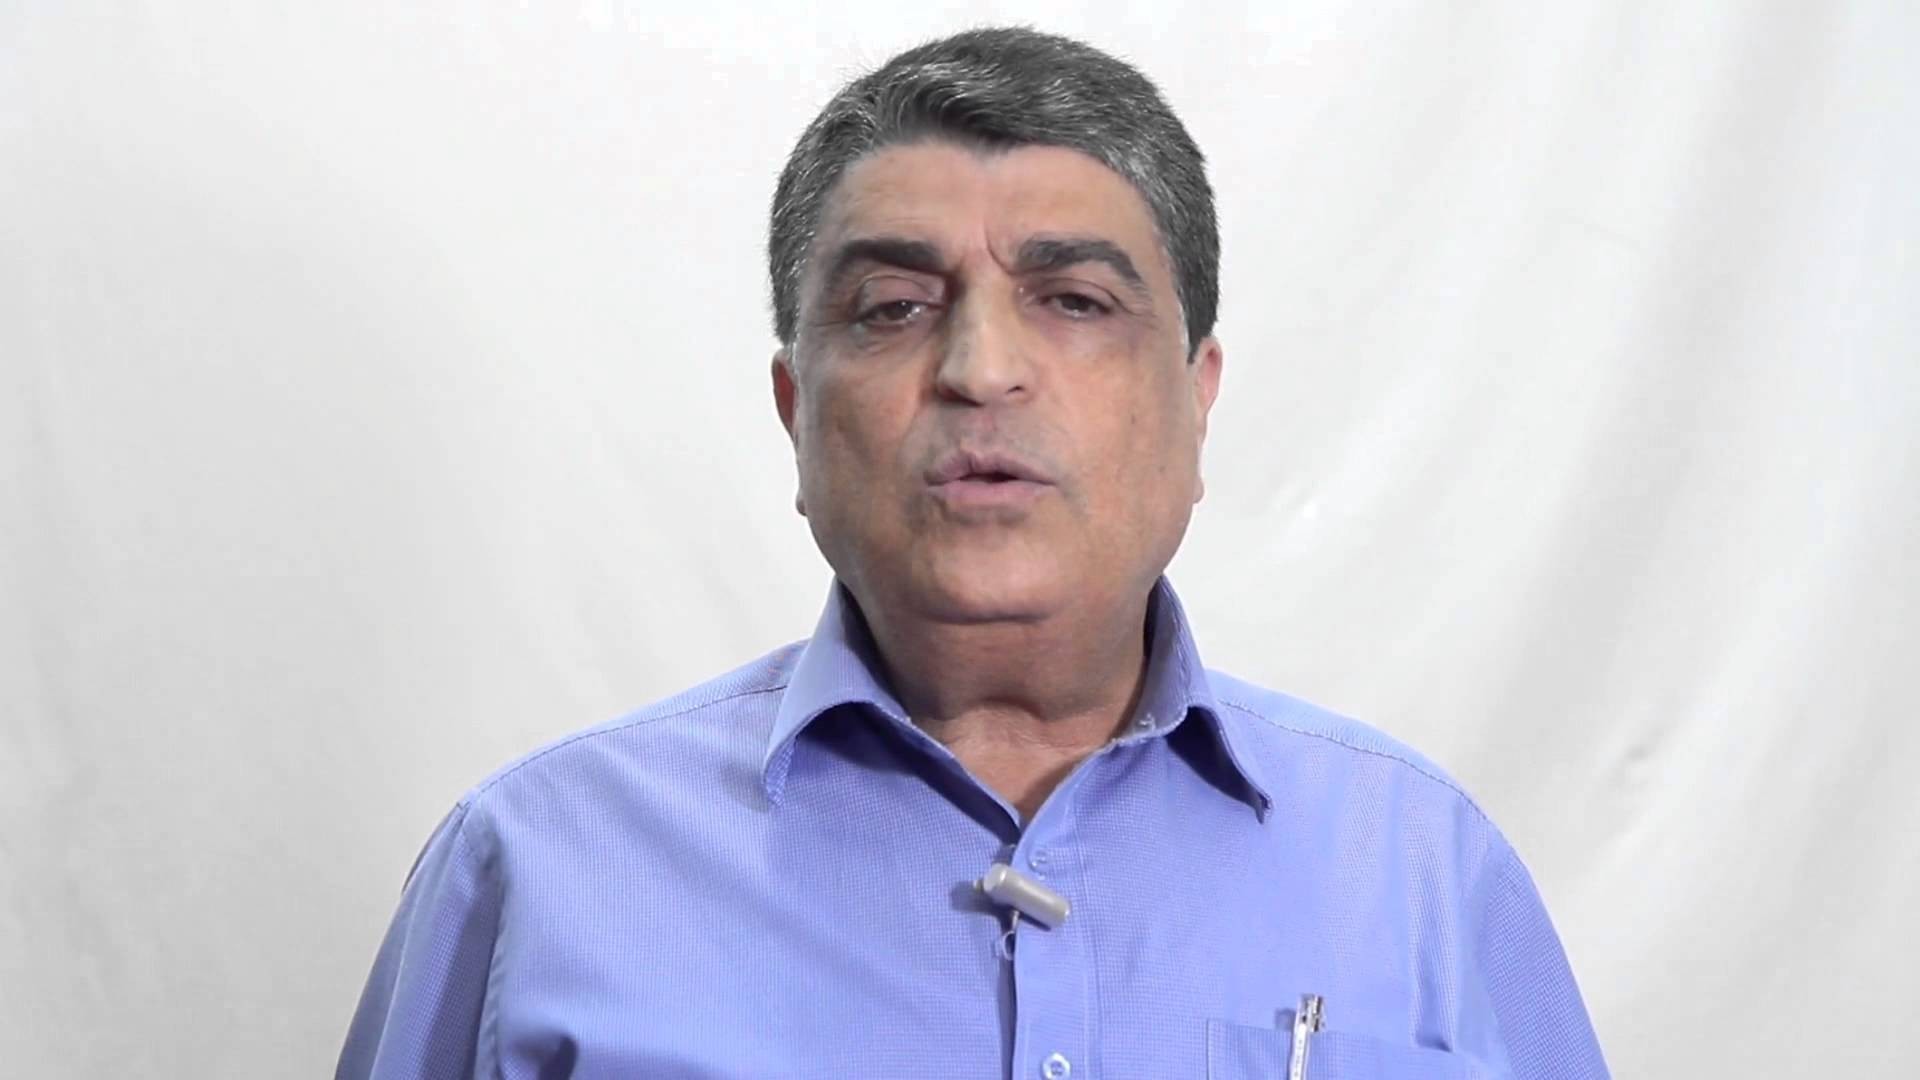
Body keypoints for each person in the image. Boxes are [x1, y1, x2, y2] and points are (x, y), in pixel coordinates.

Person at [338, 26, 1608, 1079]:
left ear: (1197, 399)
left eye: (1075, 301)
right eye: (894, 306)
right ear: (796, 412)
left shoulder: (1415, 871)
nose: (981, 368)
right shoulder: (539, 870)